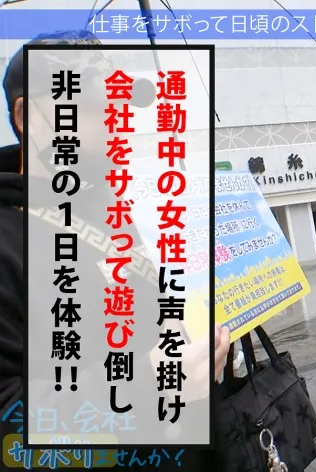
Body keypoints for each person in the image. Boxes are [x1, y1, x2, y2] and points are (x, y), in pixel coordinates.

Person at [0, 31, 228, 470]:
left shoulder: (124, 212)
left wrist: (204, 339)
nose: (112, 121)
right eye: (90, 104)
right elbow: (10, 427)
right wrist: (145, 382)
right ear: (27, 116)